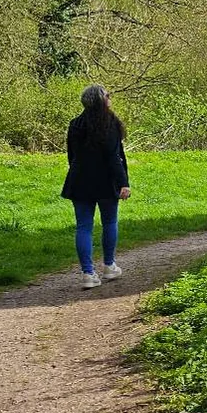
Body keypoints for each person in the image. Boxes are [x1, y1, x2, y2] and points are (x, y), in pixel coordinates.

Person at [61, 84, 131, 291]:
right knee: (109, 221)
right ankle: (109, 266)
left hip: (79, 181)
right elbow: (114, 158)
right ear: (101, 100)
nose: (110, 98)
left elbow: (71, 156)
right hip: (106, 181)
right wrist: (123, 183)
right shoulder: (110, 125)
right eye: (108, 95)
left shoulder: (75, 124)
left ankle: (88, 273)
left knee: (83, 226)